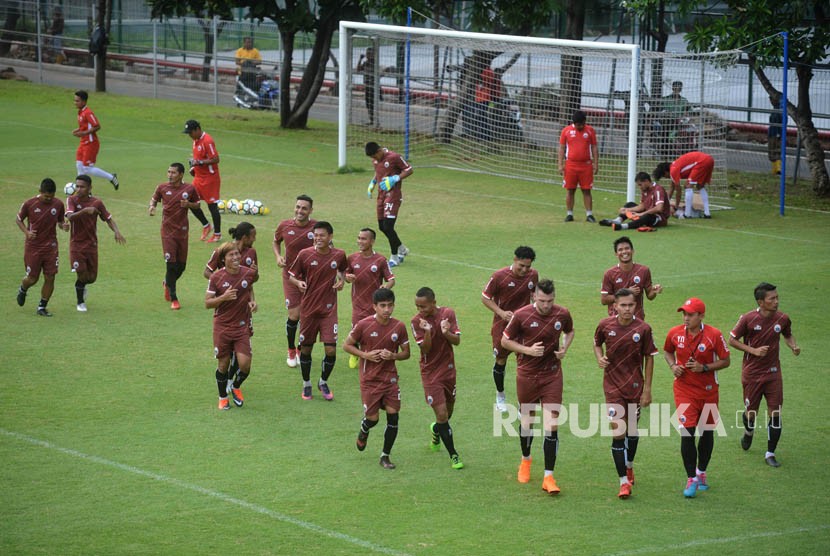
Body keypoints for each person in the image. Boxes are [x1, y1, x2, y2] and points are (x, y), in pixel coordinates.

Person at [501, 279, 574, 495]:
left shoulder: (562, 314)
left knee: (552, 425)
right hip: (527, 375)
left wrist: (564, 347)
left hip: (552, 375)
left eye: (550, 301)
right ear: (534, 296)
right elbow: (505, 341)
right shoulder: (521, 315)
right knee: (527, 421)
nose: (546, 305)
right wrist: (527, 350)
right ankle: (525, 460)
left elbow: (570, 331)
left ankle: (548, 477)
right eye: (542, 301)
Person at [663, 297, 731, 498]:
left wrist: (705, 368)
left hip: (709, 391)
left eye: (690, 315)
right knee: (687, 432)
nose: (686, 318)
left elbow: (726, 360)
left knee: (707, 432)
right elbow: (667, 351)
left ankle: (702, 472)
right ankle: (691, 477)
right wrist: (673, 366)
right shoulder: (675, 333)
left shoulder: (714, 335)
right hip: (684, 390)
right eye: (684, 314)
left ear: (701, 316)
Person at [593, 289, 657, 499]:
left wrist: (647, 389)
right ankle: (623, 482)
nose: (628, 309)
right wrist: (599, 357)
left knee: (632, 430)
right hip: (612, 387)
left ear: (636, 305)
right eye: (623, 305)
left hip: (634, 387)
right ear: (615, 307)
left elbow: (649, 357)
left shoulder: (644, 329)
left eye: (631, 305)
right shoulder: (605, 325)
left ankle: (629, 466)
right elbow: (596, 343)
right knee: (618, 431)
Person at [728, 282, 800, 468]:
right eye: (772, 299)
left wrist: (793, 345)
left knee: (775, 412)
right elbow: (732, 340)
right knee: (751, 413)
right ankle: (749, 431)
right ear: (761, 302)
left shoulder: (783, 318)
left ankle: (770, 453)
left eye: (777, 297)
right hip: (752, 374)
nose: (776, 301)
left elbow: (787, 334)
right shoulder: (748, 319)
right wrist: (753, 350)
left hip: (773, 374)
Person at [344, 288, 410, 469]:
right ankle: (365, 428)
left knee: (393, 417)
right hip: (370, 380)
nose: (387, 310)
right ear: (374, 307)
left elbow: (406, 354)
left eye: (390, 305)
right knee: (373, 419)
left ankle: (385, 456)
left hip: (390, 380)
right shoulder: (363, 325)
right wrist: (365, 355)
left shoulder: (399, 327)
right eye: (382, 306)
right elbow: (346, 345)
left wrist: (393, 356)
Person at [288, 221, 347, 401]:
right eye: (316, 235)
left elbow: (343, 269)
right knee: (306, 349)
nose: (318, 238)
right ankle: (306, 384)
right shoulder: (305, 255)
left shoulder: (339, 255)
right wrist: (298, 283)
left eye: (322, 235)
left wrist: (342, 280)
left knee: (331, 351)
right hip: (308, 310)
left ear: (330, 237)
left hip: (329, 311)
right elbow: (292, 276)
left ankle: (323, 381)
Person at [410, 287, 464, 470]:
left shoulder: (448, 314)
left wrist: (446, 332)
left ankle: (436, 429)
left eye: (423, 306)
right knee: (441, 414)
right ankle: (454, 455)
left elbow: (456, 341)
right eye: (417, 306)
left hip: (448, 370)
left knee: (448, 414)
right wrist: (427, 331)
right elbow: (425, 349)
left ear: (433, 302)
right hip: (430, 372)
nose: (420, 311)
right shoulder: (416, 321)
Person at [481, 246, 539, 412]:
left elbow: (534, 295)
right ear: (514, 259)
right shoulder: (499, 276)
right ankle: (500, 396)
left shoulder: (533, 275)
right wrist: (501, 312)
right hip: (502, 326)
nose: (524, 270)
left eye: (527, 266)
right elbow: (485, 297)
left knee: (527, 361)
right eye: (521, 265)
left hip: (524, 326)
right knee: (501, 360)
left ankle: (525, 401)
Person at [204, 222, 259, 388]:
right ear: (244, 237)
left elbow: (251, 280)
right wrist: (223, 282)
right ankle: (226, 381)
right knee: (227, 354)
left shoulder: (251, 253)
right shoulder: (222, 250)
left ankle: (230, 381)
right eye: (253, 236)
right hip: (225, 309)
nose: (255, 240)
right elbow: (207, 272)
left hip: (243, 310)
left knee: (241, 349)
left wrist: (251, 299)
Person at [65, 174, 126, 312]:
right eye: (77, 186)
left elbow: (108, 219)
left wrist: (116, 231)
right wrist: (85, 211)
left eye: (82, 187)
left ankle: (82, 286)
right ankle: (80, 302)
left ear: (90, 188)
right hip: (76, 244)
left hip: (91, 244)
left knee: (91, 278)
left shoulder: (97, 203)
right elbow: (70, 217)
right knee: (81, 273)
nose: (79, 189)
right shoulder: (71, 200)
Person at [148, 163, 201, 310]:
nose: (170, 175)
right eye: (168, 172)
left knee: (181, 267)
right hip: (167, 232)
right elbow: (154, 199)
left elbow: (198, 205)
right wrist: (152, 206)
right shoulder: (162, 187)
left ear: (181, 174)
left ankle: (167, 282)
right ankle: (174, 298)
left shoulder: (189, 189)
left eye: (173, 172)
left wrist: (189, 204)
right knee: (170, 264)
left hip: (182, 232)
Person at [273, 194, 316, 368]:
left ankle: (300, 348)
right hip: (290, 276)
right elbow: (276, 242)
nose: (300, 210)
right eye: (298, 207)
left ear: (310, 211)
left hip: (311, 278)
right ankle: (291, 349)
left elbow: (329, 248)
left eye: (304, 208)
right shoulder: (284, 226)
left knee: (307, 316)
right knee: (294, 315)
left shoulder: (317, 228)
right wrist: (278, 256)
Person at [344, 227, 396, 369]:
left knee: (375, 331)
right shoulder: (352, 258)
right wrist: (347, 277)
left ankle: (375, 356)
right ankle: (356, 353)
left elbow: (391, 279)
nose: (360, 241)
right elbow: (344, 276)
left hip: (376, 305)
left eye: (363, 238)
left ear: (372, 241)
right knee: (357, 330)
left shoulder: (380, 260)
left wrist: (386, 287)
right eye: (359, 238)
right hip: (358, 303)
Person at [16, 178, 67, 317]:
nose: (49, 199)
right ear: (40, 192)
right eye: (46, 196)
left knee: (50, 277)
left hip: (51, 247)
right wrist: (27, 232)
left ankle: (42, 306)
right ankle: (23, 288)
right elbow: (18, 220)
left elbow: (61, 221)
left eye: (51, 196)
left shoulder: (58, 204)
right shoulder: (29, 204)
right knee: (32, 279)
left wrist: (64, 226)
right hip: (33, 247)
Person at [365, 141, 413, 268]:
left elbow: (409, 169)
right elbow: (378, 172)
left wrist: (395, 178)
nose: (374, 159)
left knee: (388, 226)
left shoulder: (394, 157)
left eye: (375, 156)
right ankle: (402, 248)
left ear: (379, 150)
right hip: (381, 196)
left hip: (393, 195)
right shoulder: (375, 160)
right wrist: (372, 183)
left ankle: (394, 257)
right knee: (382, 227)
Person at [600, 236, 662, 319]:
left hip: (637, 320)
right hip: (616, 321)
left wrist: (654, 291)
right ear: (616, 254)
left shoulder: (643, 270)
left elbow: (650, 296)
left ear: (632, 251)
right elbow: (604, 300)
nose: (624, 252)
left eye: (627, 248)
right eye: (620, 250)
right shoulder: (609, 274)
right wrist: (627, 292)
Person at [183, 119, 222, 242]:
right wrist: (194, 167)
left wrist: (200, 162)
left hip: (210, 179)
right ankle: (206, 225)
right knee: (189, 201)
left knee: (212, 206)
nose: (189, 135)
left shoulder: (207, 141)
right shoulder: (195, 141)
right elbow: (198, 158)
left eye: (190, 133)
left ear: (197, 129)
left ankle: (217, 234)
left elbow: (216, 159)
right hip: (198, 178)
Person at [73, 90, 119, 190]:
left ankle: (111, 177)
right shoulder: (80, 112)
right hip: (83, 143)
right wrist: (78, 130)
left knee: (87, 168)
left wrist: (84, 133)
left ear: (84, 102)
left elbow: (97, 126)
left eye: (77, 101)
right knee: (79, 165)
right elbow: (84, 126)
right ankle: (81, 189)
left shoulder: (88, 113)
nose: (75, 103)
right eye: (75, 100)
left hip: (91, 143)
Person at [558, 110, 598, 223]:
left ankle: (589, 214)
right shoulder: (566, 131)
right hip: (570, 165)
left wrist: (596, 163)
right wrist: (560, 164)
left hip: (586, 165)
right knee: (570, 190)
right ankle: (569, 214)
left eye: (581, 124)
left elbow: (594, 147)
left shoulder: (590, 131)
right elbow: (561, 148)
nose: (579, 127)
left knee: (586, 190)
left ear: (584, 122)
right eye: (577, 125)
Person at [599, 171, 671, 232]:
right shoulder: (645, 190)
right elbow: (643, 206)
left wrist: (641, 214)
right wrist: (628, 210)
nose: (639, 187)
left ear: (646, 181)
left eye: (640, 185)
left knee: (647, 216)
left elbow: (659, 208)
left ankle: (623, 226)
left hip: (659, 218)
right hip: (647, 213)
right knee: (630, 204)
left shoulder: (658, 189)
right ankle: (617, 220)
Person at [653, 151, 714, 219]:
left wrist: (676, 207)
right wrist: (666, 203)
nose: (667, 177)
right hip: (709, 159)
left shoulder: (673, 170)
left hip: (701, 162)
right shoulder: (674, 166)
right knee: (700, 186)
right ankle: (707, 213)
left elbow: (678, 191)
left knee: (687, 186)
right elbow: (672, 188)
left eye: (664, 176)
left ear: (665, 172)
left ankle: (687, 214)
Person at [357, 47, 382, 126]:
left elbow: (379, 73)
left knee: (373, 104)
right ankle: (371, 120)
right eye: (367, 54)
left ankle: (376, 121)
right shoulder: (365, 63)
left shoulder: (375, 63)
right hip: (367, 86)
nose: (368, 55)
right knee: (368, 104)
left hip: (374, 87)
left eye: (370, 54)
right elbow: (358, 69)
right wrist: (360, 59)